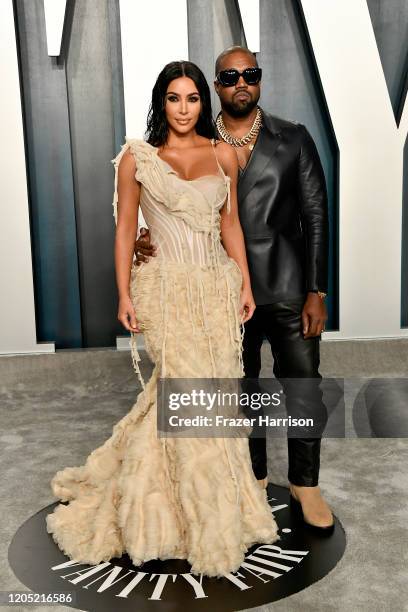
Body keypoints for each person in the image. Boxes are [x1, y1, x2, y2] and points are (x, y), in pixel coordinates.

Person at [45, 60, 280, 579]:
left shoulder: (224, 154)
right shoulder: (138, 159)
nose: (183, 108)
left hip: (216, 289)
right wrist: (125, 294)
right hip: (167, 291)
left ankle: (207, 510)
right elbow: (127, 227)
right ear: (161, 103)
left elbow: (231, 223)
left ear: (203, 103)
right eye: (173, 99)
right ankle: (176, 519)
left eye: (192, 98)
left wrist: (243, 281)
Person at [134, 46, 334, 532]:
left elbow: (315, 216)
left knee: (304, 387)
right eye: (229, 76)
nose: (241, 82)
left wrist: (317, 291)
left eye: (251, 74)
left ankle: (306, 484)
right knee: (239, 392)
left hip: (287, 287)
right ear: (215, 88)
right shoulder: (198, 142)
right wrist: (149, 237)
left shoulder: (294, 138)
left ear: (259, 81)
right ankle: (254, 478)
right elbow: (177, 206)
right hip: (221, 290)